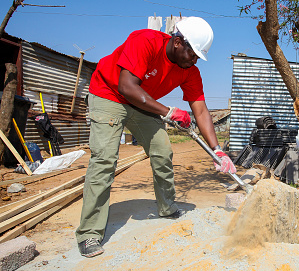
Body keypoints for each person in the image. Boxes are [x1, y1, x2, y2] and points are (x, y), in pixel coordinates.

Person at [76, 17, 236, 258]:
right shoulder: (145, 41)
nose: (194, 61)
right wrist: (168, 111)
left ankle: (167, 206)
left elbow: (201, 110)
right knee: (105, 160)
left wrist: (217, 150)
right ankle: (89, 232)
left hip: (142, 103)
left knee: (163, 150)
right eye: (192, 54)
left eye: (197, 58)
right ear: (178, 42)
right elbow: (127, 86)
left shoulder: (189, 71)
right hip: (109, 94)